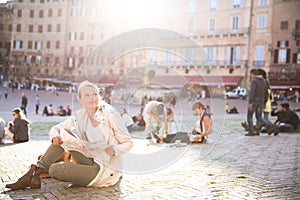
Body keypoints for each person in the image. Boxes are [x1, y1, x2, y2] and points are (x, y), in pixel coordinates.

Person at [5, 80, 133, 190]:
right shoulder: (80, 116)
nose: (92, 98)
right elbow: (57, 128)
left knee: (55, 170)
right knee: (63, 135)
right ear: (81, 99)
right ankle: (35, 174)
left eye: (94, 94)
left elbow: (128, 142)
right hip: (89, 159)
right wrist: (54, 138)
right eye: (87, 95)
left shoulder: (110, 114)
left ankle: (34, 176)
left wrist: (115, 149)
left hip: (104, 170)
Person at [245, 68, 271, 136]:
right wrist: (264, 102)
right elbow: (267, 93)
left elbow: (252, 92)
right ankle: (270, 125)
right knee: (259, 117)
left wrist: (250, 102)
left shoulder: (254, 81)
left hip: (254, 101)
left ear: (252, 74)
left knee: (249, 116)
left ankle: (251, 131)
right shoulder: (264, 81)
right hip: (261, 101)